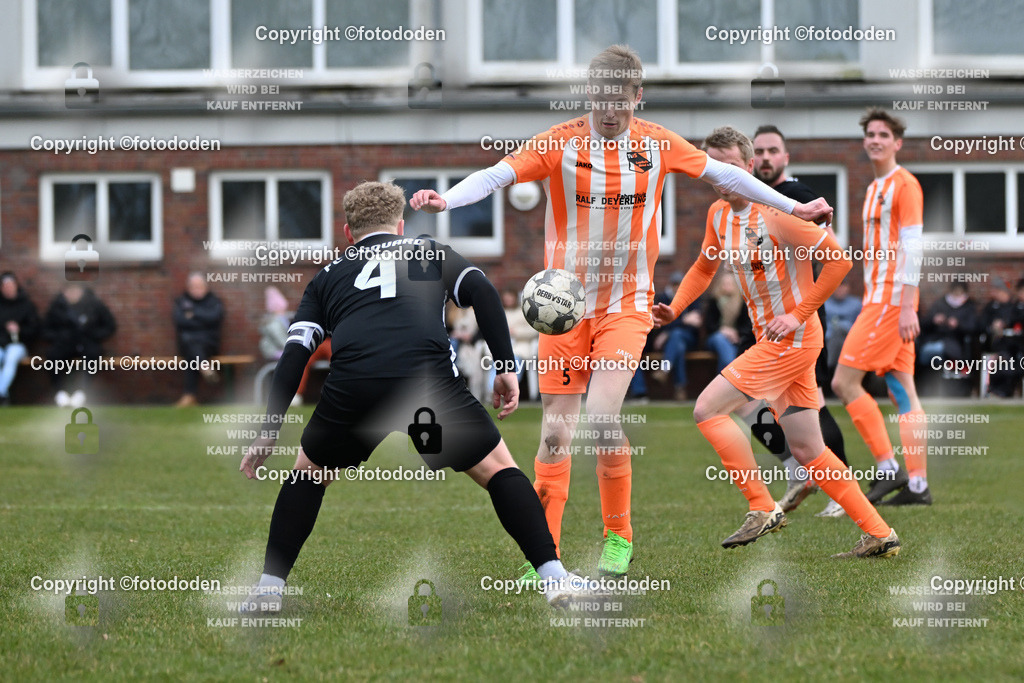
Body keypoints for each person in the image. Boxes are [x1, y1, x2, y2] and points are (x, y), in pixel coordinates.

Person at [410, 45, 833, 579]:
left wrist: (795, 207)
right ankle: (547, 555)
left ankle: (618, 537)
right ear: (590, 93)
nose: (611, 110)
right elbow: (497, 174)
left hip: (626, 306)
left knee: (604, 420)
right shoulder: (560, 142)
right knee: (555, 435)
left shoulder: (657, 143)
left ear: (638, 96)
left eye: (623, 100)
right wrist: (448, 201)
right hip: (562, 306)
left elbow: (726, 177)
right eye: (602, 98)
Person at [239, 181, 588, 611]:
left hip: (355, 388)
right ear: (401, 226)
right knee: (498, 470)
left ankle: (268, 591)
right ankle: (554, 580)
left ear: (349, 233)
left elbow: (295, 353)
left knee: (308, 475)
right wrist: (505, 368)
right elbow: (481, 291)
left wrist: (269, 429)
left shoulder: (327, 276)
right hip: (426, 386)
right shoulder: (427, 251)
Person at [653, 126, 900, 558]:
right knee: (808, 448)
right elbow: (703, 267)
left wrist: (797, 314)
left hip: (793, 340)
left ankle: (760, 506)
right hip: (782, 343)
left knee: (707, 409)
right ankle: (880, 533)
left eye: (729, 167)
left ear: (749, 168)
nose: (721, 177)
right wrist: (673, 309)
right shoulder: (717, 215)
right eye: (713, 168)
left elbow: (840, 262)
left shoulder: (777, 212)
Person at [831, 109, 931, 506]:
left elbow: (914, 247)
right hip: (881, 299)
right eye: (869, 134)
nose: (874, 140)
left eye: (883, 134)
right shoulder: (873, 189)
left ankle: (888, 467)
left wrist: (908, 307)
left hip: (890, 303)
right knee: (902, 389)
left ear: (897, 142)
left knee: (843, 382)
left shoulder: (904, 184)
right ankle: (918, 487)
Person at [751, 124, 851, 518]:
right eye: (759, 151)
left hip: (799, 317)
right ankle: (802, 472)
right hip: (762, 319)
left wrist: (800, 312)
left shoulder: (797, 196)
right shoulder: (752, 199)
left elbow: (832, 252)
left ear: (786, 157)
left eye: (773, 150)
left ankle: (839, 488)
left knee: (813, 404)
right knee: (757, 405)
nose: (765, 158)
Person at [42, 283, 116, 407]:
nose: (72, 294)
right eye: (69, 291)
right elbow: (45, 329)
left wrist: (94, 335)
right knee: (52, 356)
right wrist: (60, 336)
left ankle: (81, 392)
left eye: (75, 291)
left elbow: (109, 326)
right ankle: (61, 393)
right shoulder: (57, 306)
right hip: (64, 344)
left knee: (94, 357)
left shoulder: (94, 304)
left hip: (87, 343)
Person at [259, 286, 331, 406]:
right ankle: (295, 394)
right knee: (300, 360)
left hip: (325, 342)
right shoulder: (276, 321)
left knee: (332, 351)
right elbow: (282, 338)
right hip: (294, 347)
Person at [172, 273, 224, 407]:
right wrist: (203, 319)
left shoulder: (214, 301)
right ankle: (204, 367)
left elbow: (214, 318)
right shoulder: (181, 301)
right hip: (188, 344)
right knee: (191, 346)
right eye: (194, 286)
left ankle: (189, 396)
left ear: (206, 287)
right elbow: (180, 321)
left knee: (192, 354)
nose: (197, 289)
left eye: (199, 286)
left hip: (209, 344)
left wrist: (193, 313)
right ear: (188, 288)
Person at [0, 272, 40, 405]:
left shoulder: (26, 305)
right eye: (5, 286)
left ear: (16, 286)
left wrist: (19, 330)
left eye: (11, 285)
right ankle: (4, 395)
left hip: (18, 344)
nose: (8, 289)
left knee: (11, 357)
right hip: (1, 344)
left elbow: (35, 329)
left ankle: (1, 392)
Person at [918, 282, 978, 366]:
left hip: (955, 342)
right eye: (955, 292)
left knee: (934, 350)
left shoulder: (969, 306)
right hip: (934, 339)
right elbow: (923, 324)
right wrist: (934, 320)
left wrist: (958, 325)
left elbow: (972, 328)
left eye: (959, 292)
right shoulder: (939, 303)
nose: (956, 295)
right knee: (926, 350)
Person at [981, 280, 1022, 398]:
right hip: (998, 344)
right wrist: (992, 327)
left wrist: (1005, 324)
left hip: (1015, 345)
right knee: (1002, 361)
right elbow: (981, 324)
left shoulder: (1015, 307)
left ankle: (1002, 391)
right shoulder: (990, 307)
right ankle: (996, 391)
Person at [702, 273, 742, 373]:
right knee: (723, 344)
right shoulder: (714, 301)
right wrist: (724, 330)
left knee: (729, 352)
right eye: (724, 284)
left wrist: (736, 334)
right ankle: (728, 378)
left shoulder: (741, 303)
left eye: (729, 284)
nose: (726, 286)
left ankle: (722, 380)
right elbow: (709, 325)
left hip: (736, 339)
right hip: (715, 338)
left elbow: (747, 326)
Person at [824, 281, 862, 375]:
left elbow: (860, 325)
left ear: (848, 287)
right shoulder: (825, 303)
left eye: (843, 286)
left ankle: (827, 366)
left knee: (840, 330)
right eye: (838, 287)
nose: (840, 290)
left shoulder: (856, 303)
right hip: (828, 341)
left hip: (849, 341)